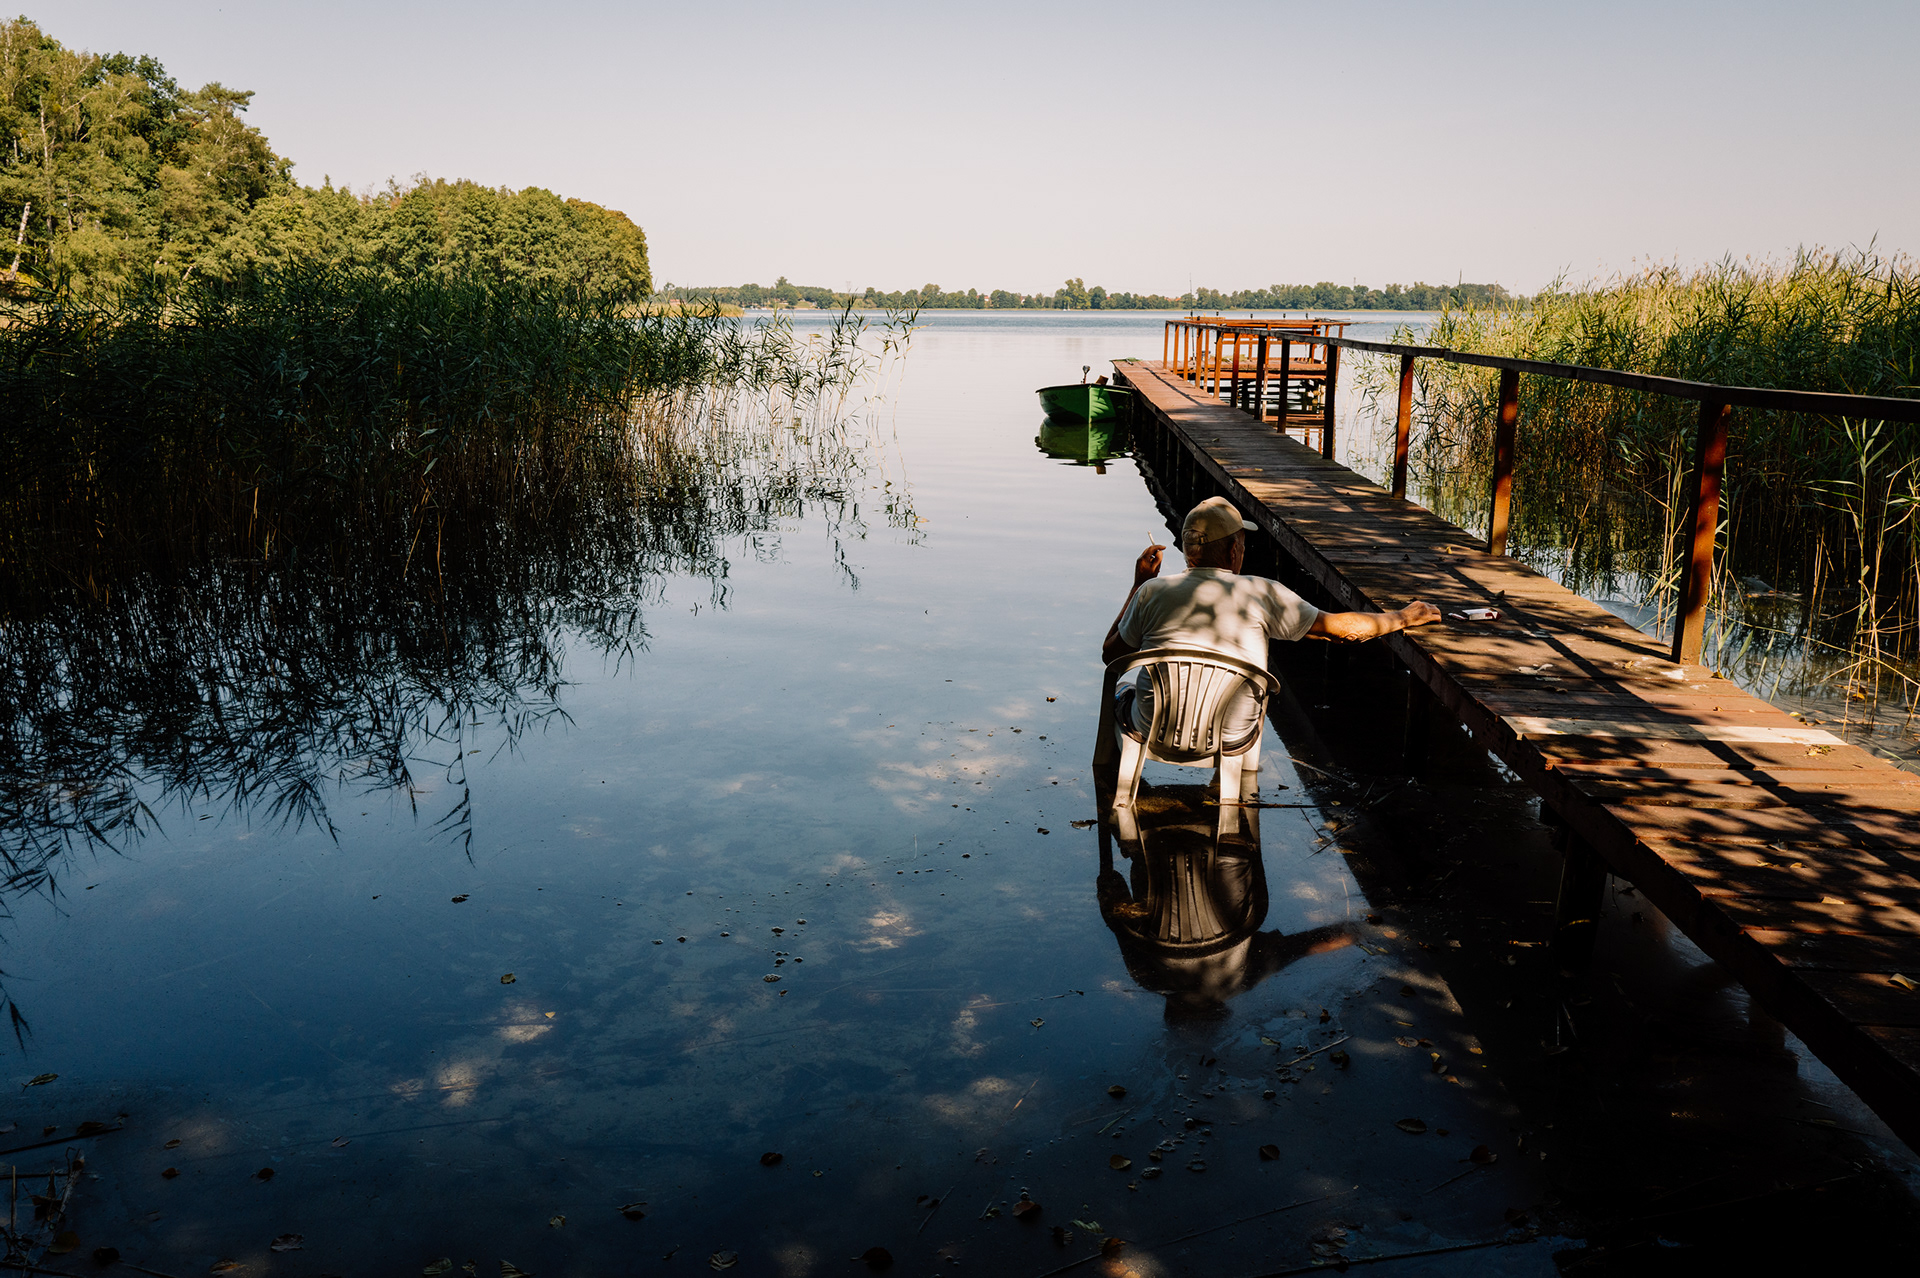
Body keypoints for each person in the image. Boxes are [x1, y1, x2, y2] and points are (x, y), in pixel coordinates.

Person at [1102, 496, 1441, 739]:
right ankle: (1233, 781)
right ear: (1234, 551)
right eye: (1242, 544)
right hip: (1231, 734)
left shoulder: (1152, 592)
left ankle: (1115, 781)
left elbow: (1111, 655)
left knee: (1121, 689)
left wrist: (1138, 584)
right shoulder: (1263, 592)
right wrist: (1401, 617)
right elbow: (1338, 631)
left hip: (1155, 730)